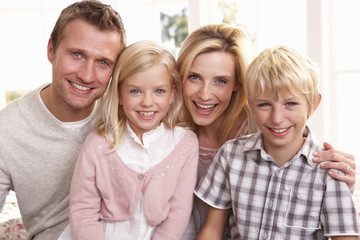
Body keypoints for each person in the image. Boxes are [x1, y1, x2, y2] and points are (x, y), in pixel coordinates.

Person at [177, 23, 358, 239]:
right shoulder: (229, 153)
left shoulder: (323, 167)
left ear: (238, 85)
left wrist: (346, 182)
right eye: (194, 76)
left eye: (221, 80)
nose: (277, 118)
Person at [0, 1, 126, 239]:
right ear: (51, 50)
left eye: (103, 62)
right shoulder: (7, 131)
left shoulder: (127, 113)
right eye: (77, 54)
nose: (87, 75)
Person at [58, 40, 199, 240]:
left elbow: (179, 211)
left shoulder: (185, 143)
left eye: (159, 91)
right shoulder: (98, 144)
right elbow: (83, 211)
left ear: (172, 94)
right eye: (135, 91)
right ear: (120, 95)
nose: (147, 102)